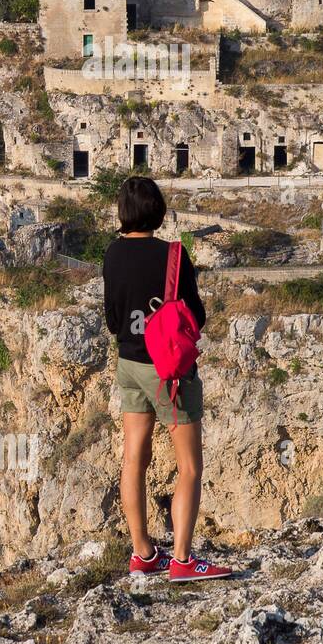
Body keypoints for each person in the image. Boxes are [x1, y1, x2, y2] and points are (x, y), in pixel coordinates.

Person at [103, 176, 231, 582]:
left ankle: (142, 551)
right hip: (169, 371)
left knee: (133, 459)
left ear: (123, 212)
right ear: (158, 211)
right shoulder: (173, 255)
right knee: (189, 466)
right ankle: (181, 559)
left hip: (128, 362)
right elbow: (196, 315)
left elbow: (111, 319)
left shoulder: (111, 255)